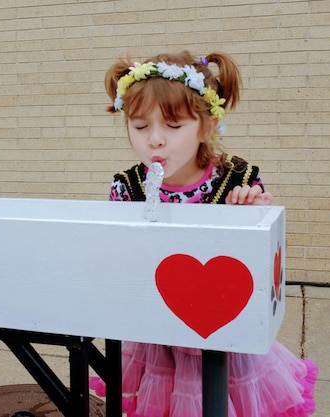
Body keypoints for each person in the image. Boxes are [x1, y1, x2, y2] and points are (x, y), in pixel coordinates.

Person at [88, 51, 318, 417]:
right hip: (156, 338)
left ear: (207, 126)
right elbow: (120, 259)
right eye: (140, 126)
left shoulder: (235, 181)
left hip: (223, 336)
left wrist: (251, 217)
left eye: (173, 126)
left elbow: (264, 263)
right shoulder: (128, 186)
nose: (155, 141)